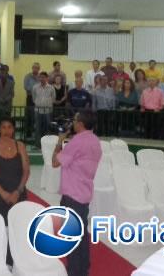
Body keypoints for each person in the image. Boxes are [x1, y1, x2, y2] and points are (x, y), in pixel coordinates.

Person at [52, 112, 101, 276]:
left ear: (80, 123)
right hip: (84, 192)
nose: (72, 122)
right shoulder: (95, 140)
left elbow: (55, 162)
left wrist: (60, 140)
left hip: (72, 194)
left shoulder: (77, 141)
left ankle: (74, 271)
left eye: (74, 120)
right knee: (81, 234)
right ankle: (83, 269)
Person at [0, 118, 29, 265]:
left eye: (9, 127)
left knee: (17, 228)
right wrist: (2, 193)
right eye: (3, 127)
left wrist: (18, 191)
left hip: (18, 194)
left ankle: (15, 260)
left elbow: (26, 171)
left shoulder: (20, 146)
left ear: (13, 130)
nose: (6, 130)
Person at [32, 71, 55, 148]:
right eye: (40, 77)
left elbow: (53, 99)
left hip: (48, 111)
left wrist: (46, 104)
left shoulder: (51, 88)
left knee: (48, 127)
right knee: (37, 128)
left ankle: (47, 145)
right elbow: (34, 98)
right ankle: (37, 145)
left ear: (47, 78)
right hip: (38, 110)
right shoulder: (35, 87)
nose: (42, 79)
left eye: (44, 77)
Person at [0, 65, 15, 133]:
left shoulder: (11, 83)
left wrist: (6, 99)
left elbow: (12, 94)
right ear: (0, 73)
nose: (3, 74)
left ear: (7, 73)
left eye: (4, 72)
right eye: (2, 72)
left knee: (7, 122)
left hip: (7, 105)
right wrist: (1, 100)